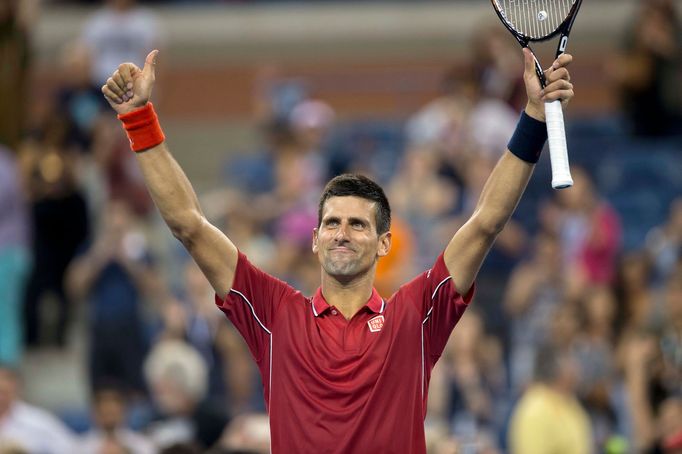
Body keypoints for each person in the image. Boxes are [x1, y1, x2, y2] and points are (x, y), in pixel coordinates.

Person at [100, 46, 575, 453]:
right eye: (331, 223)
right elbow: (189, 225)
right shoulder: (273, 313)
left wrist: (533, 117)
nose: (342, 232)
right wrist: (139, 119)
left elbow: (486, 221)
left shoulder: (417, 315)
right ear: (314, 238)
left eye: (356, 224)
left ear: (384, 242)